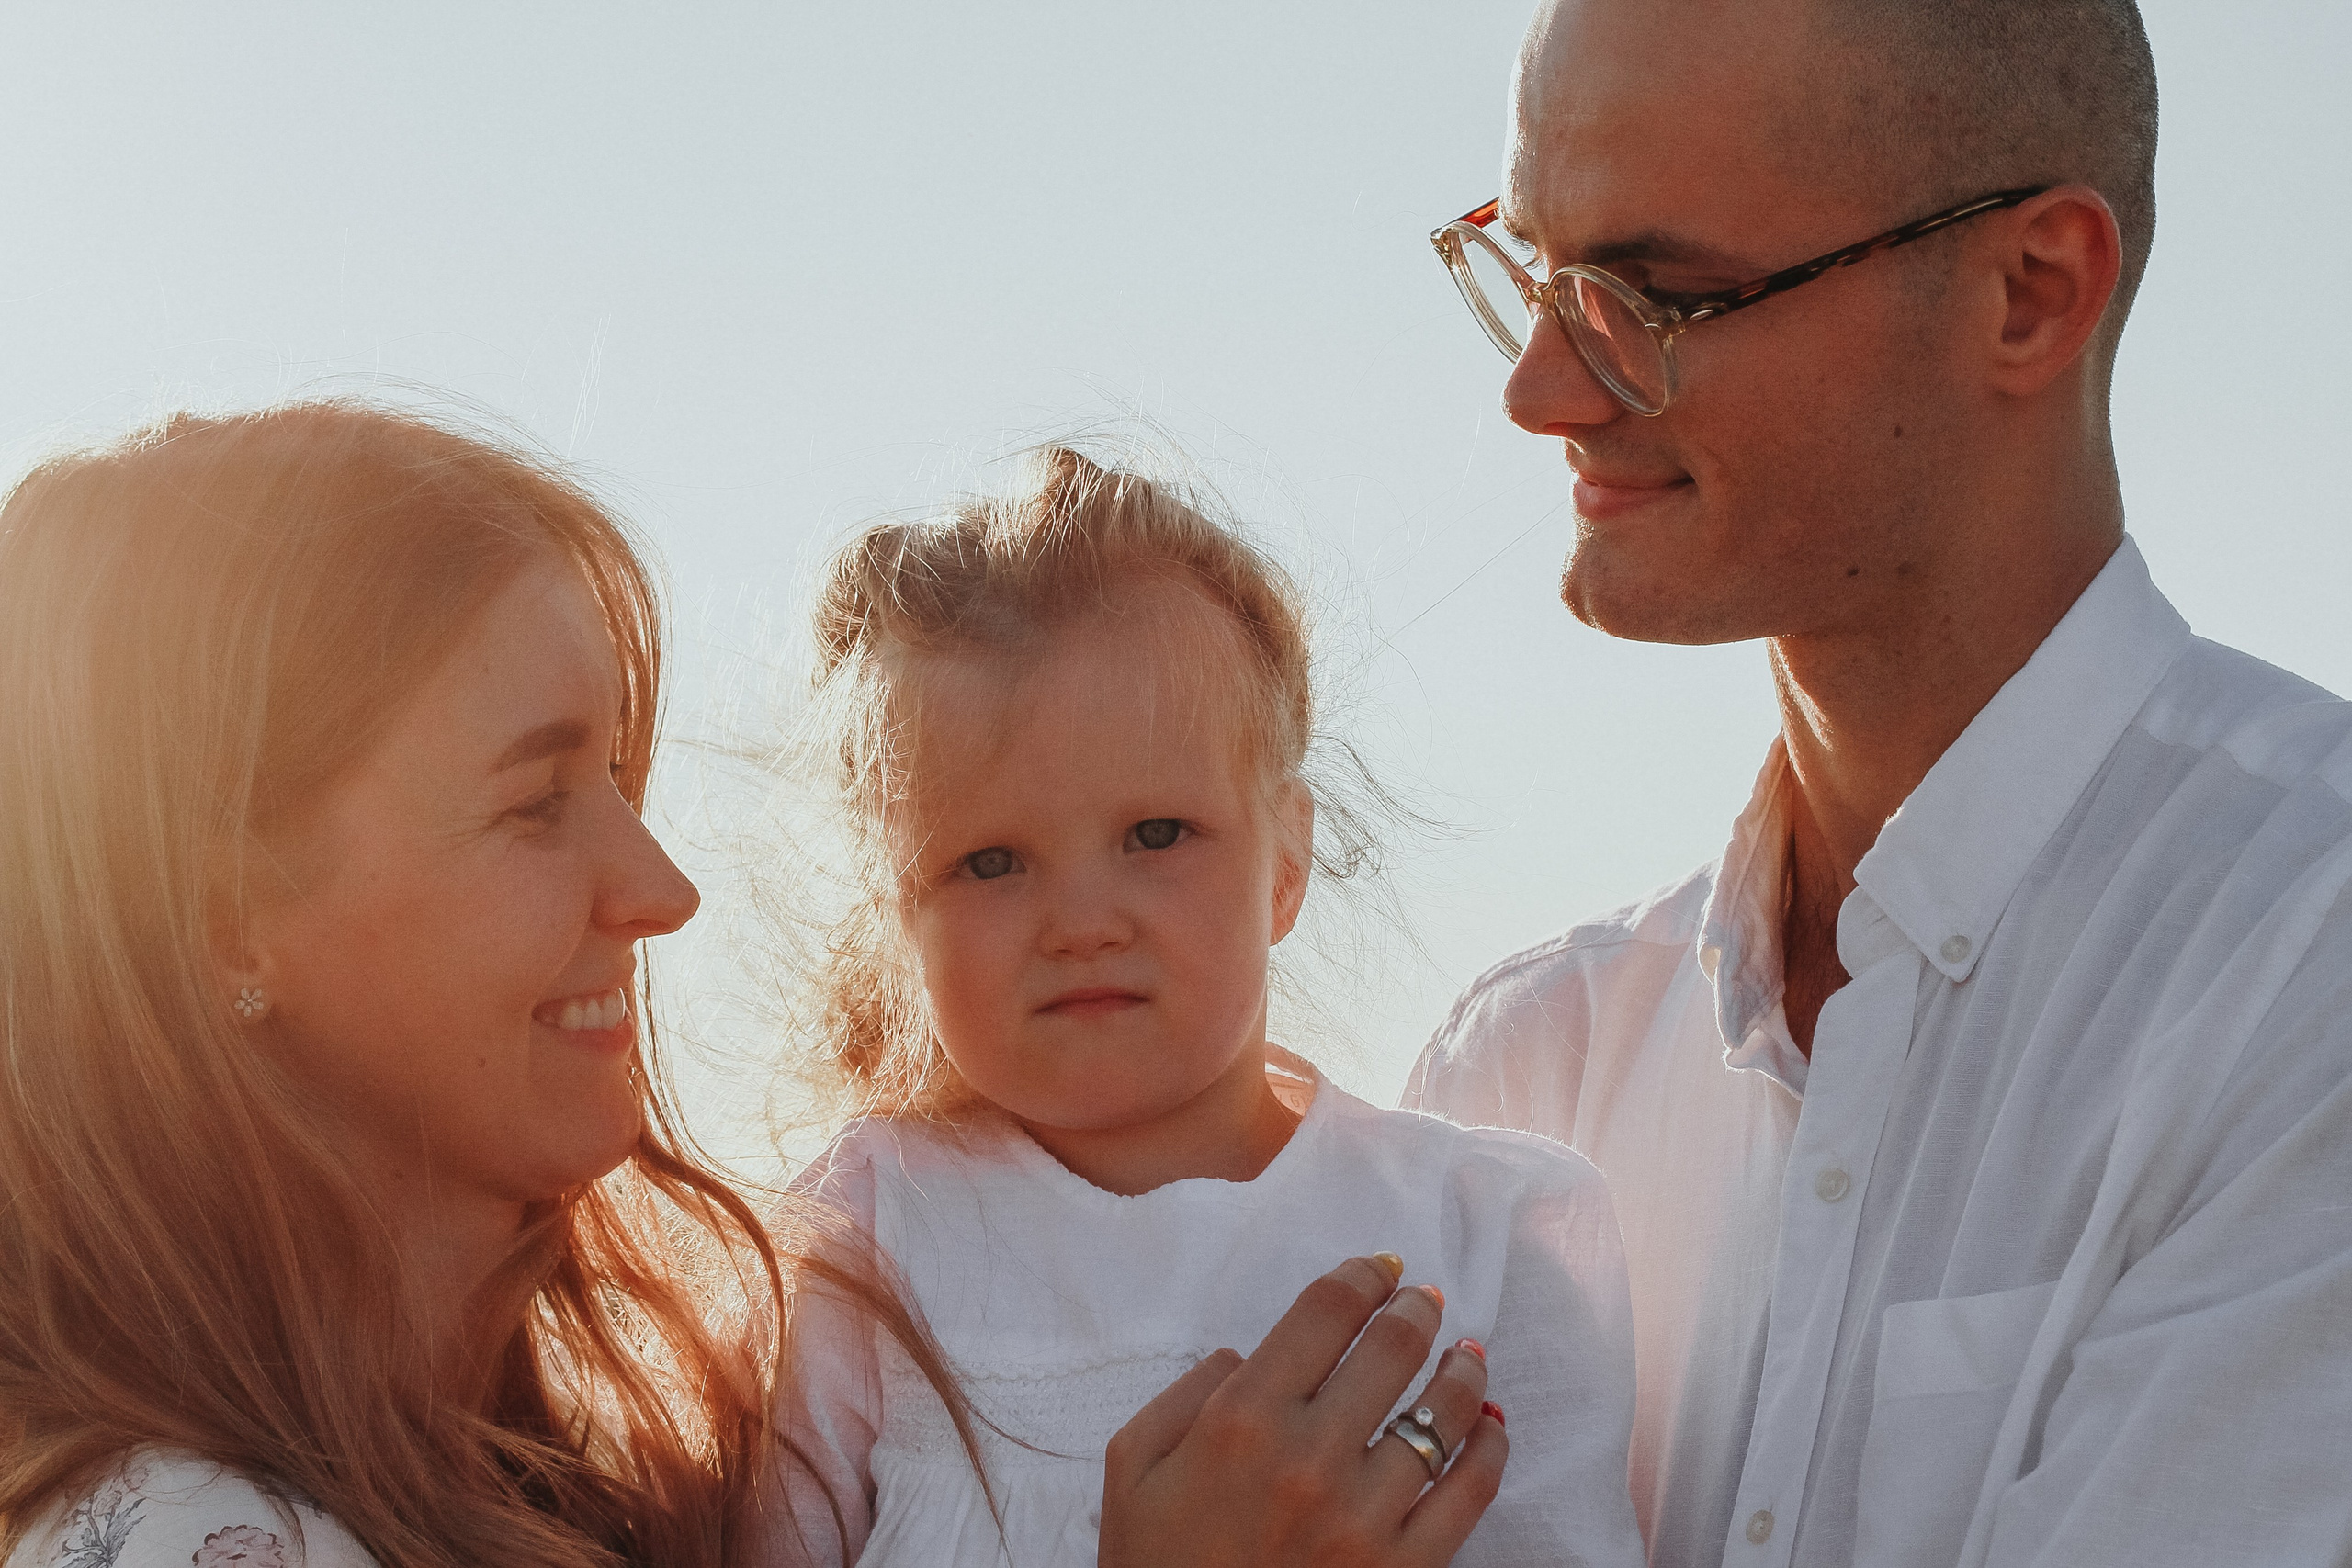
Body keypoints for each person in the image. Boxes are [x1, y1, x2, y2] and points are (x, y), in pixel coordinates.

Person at [0, 403, 1506, 1568]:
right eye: (536, 802)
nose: (662, 886)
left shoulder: (587, 1489)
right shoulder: (176, 1534)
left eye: (622, 777)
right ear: (226, 921)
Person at [1398, 0, 2352, 1564]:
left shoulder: (2307, 961)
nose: (1542, 390)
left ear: (2031, 294)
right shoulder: (1531, 1070)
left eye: (1650, 296)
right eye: (1539, 276)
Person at [754, 448, 1645, 1568]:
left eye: (1155, 835)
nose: (1081, 921)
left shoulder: (1484, 1233)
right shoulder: (864, 1241)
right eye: (989, 861)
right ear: (898, 908)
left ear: (1286, 860)